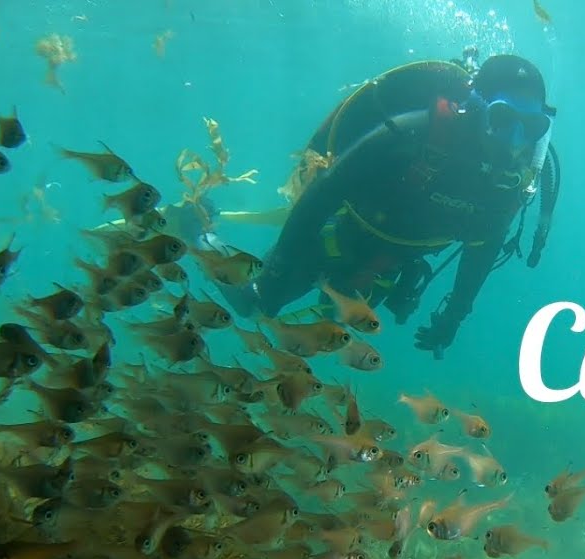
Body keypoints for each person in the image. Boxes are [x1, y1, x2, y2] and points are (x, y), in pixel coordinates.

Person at [220, 50, 560, 359]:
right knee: (257, 304)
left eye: (531, 128)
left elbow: (483, 248)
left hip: (384, 269)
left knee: (333, 333)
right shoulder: (411, 135)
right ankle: (203, 242)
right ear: (476, 105)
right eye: (503, 120)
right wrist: (281, 261)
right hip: (330, 236)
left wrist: (454, 315)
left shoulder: (507, 187)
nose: (515, 141)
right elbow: (325, 191)